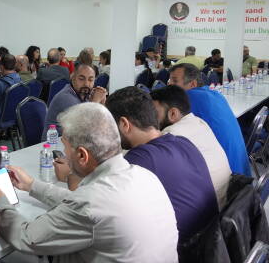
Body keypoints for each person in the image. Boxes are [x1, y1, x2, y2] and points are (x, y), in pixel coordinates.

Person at [0, 103, 178, 262]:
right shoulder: (144, 175)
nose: (64, 154)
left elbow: (27, 237)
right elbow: (79, 203)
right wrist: (32, 185)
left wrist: (1, 202)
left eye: (65, 146)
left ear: (82, 155)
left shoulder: (90, 203)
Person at [105, 86, 218, 244]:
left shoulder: (139, 160)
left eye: (110, 127)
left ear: (124, 124)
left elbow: (102, 203)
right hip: (212, 241)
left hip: (186, 250)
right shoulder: (182, 141)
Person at [150, 85, 231, 209]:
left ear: (173, 113)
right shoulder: (198, 122)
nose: (151, 119)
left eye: (154, 113)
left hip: (209, 211)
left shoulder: (171, 135)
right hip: (225, 200)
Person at [168, 63, 250, 175]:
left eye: (175, 81)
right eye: (169, 80)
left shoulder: (190, 97)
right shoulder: (215, 94)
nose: (169, 84)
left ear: (193, 84)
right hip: (241, 168)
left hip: (229, 175)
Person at [44, 64, 107, 138]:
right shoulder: (66, 98)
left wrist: (101, 103)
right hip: (54, 143)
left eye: (90, 80)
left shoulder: (84, 95)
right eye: (81, 79)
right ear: (73, 78)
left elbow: (100, 126)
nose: (86, 84)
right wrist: (95, 102)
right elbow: (85, 129)